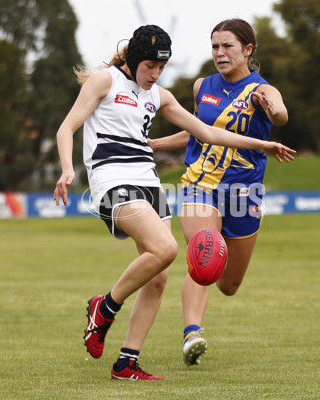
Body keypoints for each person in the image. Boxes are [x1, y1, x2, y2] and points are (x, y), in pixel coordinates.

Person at [53, 24, 296, 380]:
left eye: (162, 67)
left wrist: (264, 145)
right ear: (136, 59)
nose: (156, 74)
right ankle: (103, 307)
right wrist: (65, 169)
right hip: (111, 180)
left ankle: (126, 362)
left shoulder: (159, 96)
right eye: (150, 66)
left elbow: (209, 132)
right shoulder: (105, 81)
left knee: (158, 277)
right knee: (166, 248)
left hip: (148, 182)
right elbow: (66, 128)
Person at [149, 18, 291, 367]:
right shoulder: (202, 86)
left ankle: (195, 327)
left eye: (227, 46)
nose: (219, 53)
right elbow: (197, 132)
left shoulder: (262, 90)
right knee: (204, 254)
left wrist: (274, 111)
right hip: (200, 186)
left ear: (247, 49)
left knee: (228, 284)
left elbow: (282, 114)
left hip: (244, 194)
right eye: (215, 46)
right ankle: (192, 335)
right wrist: (153, 144)